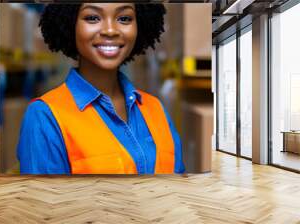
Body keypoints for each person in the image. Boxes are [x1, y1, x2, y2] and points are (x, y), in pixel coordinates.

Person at [17, 3, 185, 174]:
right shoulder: (45, 116)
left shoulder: (155, 108)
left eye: (124, 18)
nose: (110, 30)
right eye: (92, 18)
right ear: (71, 23)